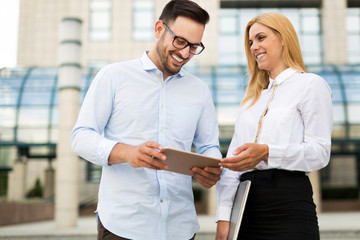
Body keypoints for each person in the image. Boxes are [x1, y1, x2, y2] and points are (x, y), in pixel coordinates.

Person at [71, 0, 222, 239]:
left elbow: (209, 146)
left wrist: (212, 168)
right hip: (123, 227)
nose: (185, 53)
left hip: (180, 227)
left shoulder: (200, 90)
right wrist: (126, 153)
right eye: (180, 41)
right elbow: (80, 137)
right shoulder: (113, 76)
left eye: (194, 46)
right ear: (159, 29)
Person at [215, 12, 333, 240]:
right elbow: (233, 165)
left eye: (261, 38)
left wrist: (267, 152)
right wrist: (223, 218)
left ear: (283, 38)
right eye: (250, 42)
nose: (253, 47)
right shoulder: (251, 99)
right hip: (246, 207)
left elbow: (320, 153)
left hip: (289, 203)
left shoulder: (310, 85)